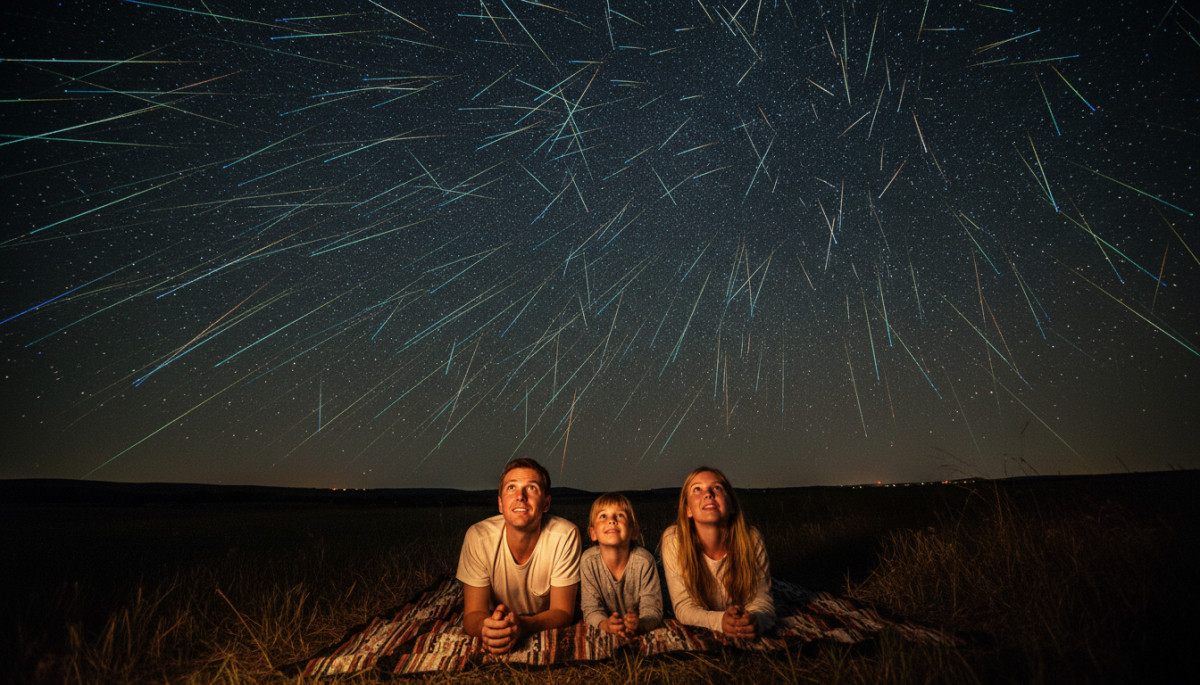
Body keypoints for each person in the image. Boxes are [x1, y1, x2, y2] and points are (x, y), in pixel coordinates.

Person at [456, 458, 581, 654]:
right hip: (495, 615)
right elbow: (473, 613)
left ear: (546, 503)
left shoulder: (565, 535)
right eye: (511, 488)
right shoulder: (478, 536)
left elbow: (563, 612)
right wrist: (487, 628)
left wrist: (524, 626)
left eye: (531, 488)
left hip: (535, 619)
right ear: (500, 503)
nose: (520, 496)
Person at [660, 466, 775, 639]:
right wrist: (720, 620)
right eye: (697, 489)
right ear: (688, 510)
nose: (708, 494)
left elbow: (762, 599)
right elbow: (684, 607)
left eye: (717, 488)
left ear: (732, 505)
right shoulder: (674, 539)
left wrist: (755, 620)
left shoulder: (751, 538)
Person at [580, 492, 663, 637]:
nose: (611, 520)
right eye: (603, 516)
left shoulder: (644, 561)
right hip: (606, 621)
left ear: (634, 531)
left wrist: (640, 624)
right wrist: (604, 624)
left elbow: (653, 609)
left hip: (637, 621)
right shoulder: (589, 562)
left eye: (620, 515)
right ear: (593, 533)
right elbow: (590, 608)